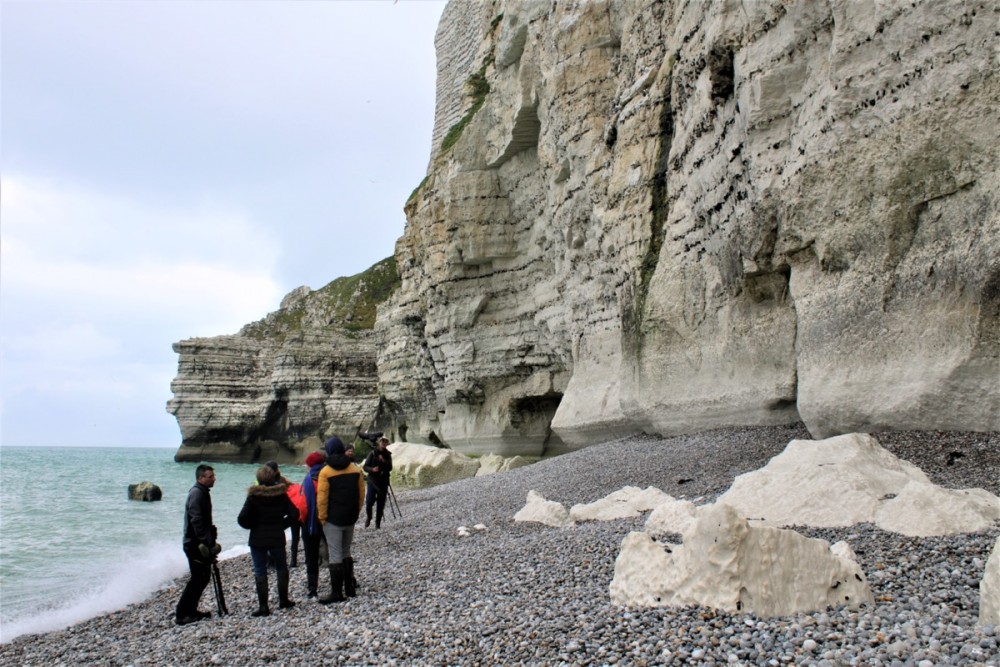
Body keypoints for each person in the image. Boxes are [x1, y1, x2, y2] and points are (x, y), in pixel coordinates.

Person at [237, 465, 300, 617]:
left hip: (257, 538)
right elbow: (294, 513)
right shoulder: (281, 495)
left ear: (258, 480)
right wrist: (282, 525)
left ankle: (263, 606)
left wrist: (254, 526)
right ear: (273, 478)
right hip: (276, 536)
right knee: (281, 567)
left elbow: (242, 518)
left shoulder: (253, 497)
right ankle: (283, 600)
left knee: (260, 570)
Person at [316, 436, 365, 603]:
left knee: (335, 554)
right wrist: (356, 512)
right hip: (350, 517)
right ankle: (349, 588)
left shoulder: (325, 472)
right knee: (346, 551)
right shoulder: (354, 469)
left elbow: (322, 499)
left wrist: (322, 518)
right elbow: (361, 495)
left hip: (333, 520)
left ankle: (336, 592)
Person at [175, 464, 220, 625]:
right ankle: (182, 613)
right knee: (198, 578)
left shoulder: (201, 492)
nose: (214, 478)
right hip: (194, 544)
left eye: (213, 476)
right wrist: (206, 542)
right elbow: (196, 519)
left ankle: (190, 610)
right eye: (210, 476)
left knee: (202, 577)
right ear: (200, 478)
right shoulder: (196, 493)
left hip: (197, 542)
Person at [263, 461, 304, 567]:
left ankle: (277, 560)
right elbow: (294, 487)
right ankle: (292, 561)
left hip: (283, 513)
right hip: (292, 511)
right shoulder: (283, 480)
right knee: (295, 536)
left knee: (278, 536)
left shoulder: (270, 481)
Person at [300, 450, 328, 599]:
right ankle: (347, 582)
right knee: (337, 552)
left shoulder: (308, 480)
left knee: (311, 557)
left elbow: (303, 505)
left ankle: (312, 589)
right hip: (328, 520)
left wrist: (301, 518)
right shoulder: (328, 476)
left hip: (310, 523)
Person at [362, 436, 394, 528]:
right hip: (372, 481)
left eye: (385, 442)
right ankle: (369, 517)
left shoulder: (388, 454)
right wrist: (372, 469)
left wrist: (383, 461)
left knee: (381, 503)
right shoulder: (372, 453)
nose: (383, 443)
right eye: (382, 442)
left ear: (387, 443)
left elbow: (390, 468)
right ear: (379, 443)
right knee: (369, 502)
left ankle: (377, 524)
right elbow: (365, 467)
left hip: (383, 481)